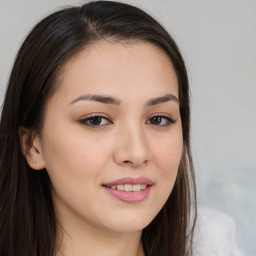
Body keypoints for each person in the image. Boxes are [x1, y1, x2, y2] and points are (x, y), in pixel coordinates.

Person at [0, 1, 241, 256]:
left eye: (158, 119)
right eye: (96, 120)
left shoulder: (212, 244)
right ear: (32, 145)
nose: (136, 153)